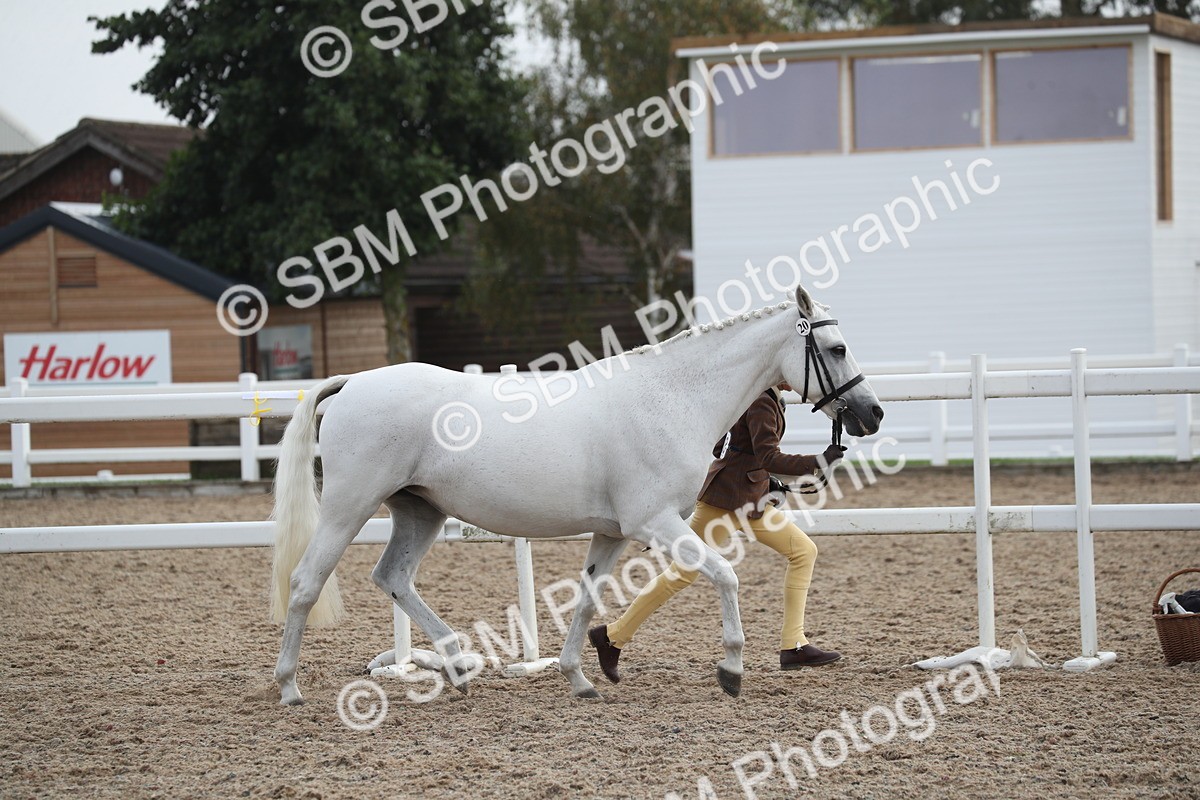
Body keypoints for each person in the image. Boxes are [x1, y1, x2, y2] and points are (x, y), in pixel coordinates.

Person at [589, 382, 845, 682]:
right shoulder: (761, 401)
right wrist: (818, 461)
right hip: (727, 501)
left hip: (749, 499)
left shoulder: (762, 396)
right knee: (683, 573)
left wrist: (766, 481)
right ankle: (613, 636)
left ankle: (794, 644)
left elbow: (740, 450)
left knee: (803, 551)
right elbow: (767, 457)